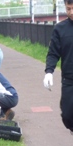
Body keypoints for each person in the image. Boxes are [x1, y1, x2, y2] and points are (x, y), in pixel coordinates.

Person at [43, 0, 73, 134]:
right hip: (69, 79)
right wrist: (49, 72)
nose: (71, 12)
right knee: (67, 115)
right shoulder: (60, 29)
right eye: (68, 9)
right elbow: (53, 53)